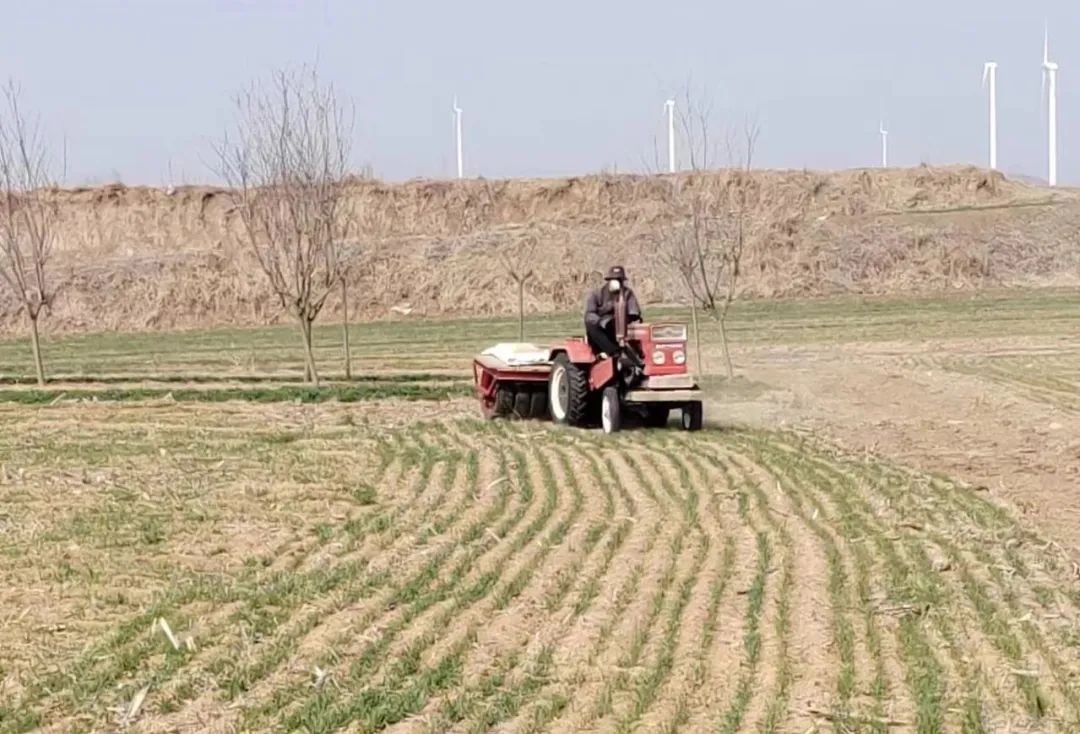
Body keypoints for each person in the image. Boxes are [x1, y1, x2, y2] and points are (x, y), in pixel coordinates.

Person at [584, 265, 642, 359]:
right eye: (614, 279)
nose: (617, 282)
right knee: (590, 324)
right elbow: (589, 314)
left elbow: (634, 312)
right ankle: (613, 352)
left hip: (621, 325)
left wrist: (625, 319)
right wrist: (601, 322)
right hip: (602, 329)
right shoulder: (597, 294)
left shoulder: (628, 293)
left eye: (619, 280)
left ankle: (637, 354)